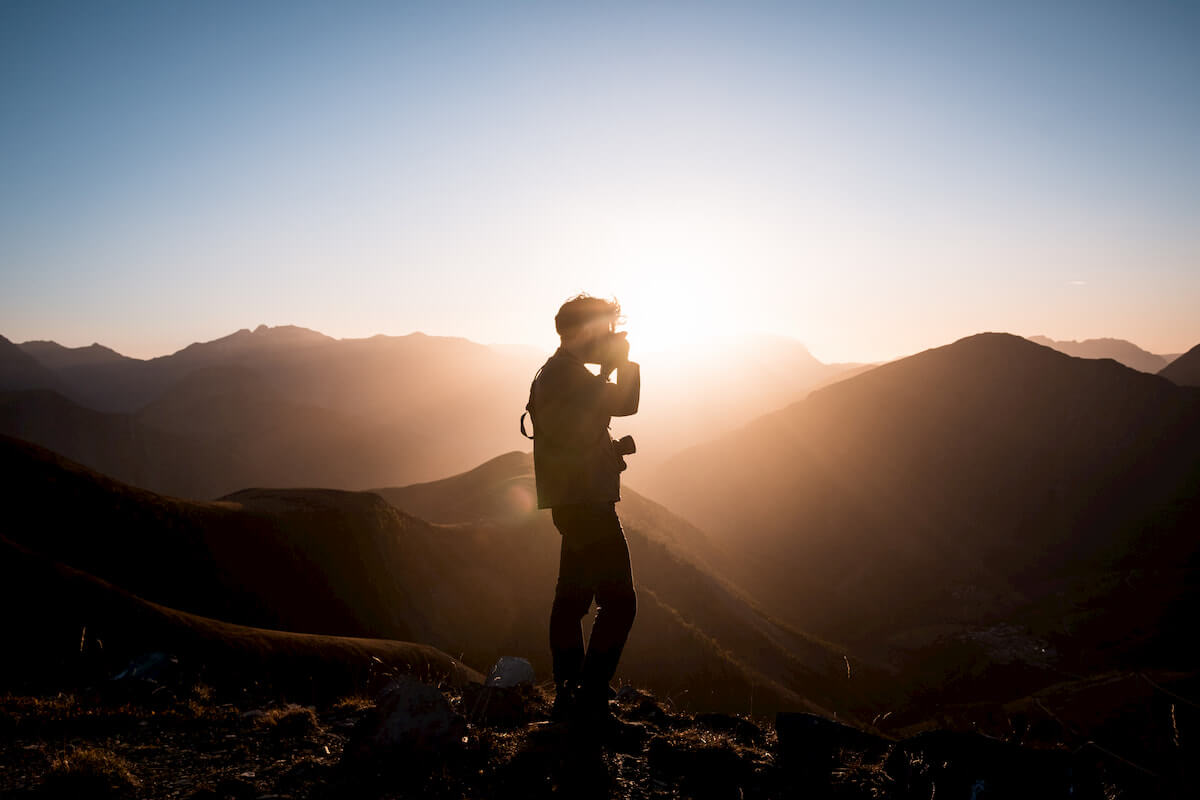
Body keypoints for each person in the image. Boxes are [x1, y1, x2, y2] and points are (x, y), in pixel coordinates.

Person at [523, 294, 641, 731]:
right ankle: (589, 704)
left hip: (574, 502)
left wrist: (606, 364)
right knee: (620, 603)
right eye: (604, 330)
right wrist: (624, 362)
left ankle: (571, 696)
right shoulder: (567, 377)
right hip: (587, 505)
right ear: (581, 332)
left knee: (572, 600)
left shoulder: (560, 373)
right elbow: (625, 402)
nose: (609, 338)